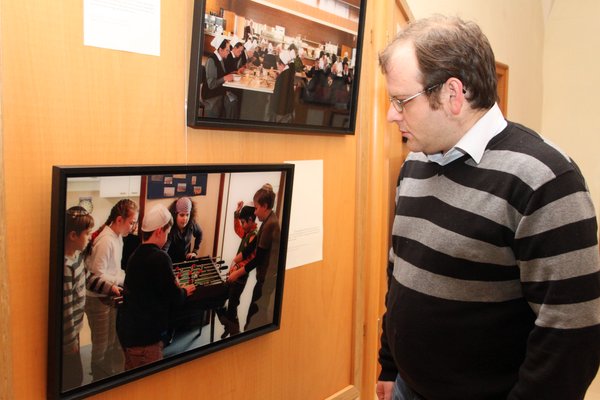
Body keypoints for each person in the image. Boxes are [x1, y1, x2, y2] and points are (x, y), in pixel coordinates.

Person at [376, 15, 600, 400]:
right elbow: (400, 272)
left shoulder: (543, 178)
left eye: (401, 101)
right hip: (405, 388)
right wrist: (390, 364)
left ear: (453, 94)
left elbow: (572, 332)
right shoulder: (414, 163)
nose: (391, 114)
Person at [117, 204, 195, 370]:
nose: (167, 237)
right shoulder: (160, 258)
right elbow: (175, 297)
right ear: (159, 231)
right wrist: (184, 291)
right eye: (167, 233)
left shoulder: (135, 254)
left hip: (129, 332)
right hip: (146, 337)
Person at [62, 206, 121, 391]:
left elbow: (88, 278)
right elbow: (66, 310)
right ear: (73, 235)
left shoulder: (77, 257)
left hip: (75, 331)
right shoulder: (65, 268)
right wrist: (70, 342)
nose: (90, 238)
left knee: (75, 376)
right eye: (87, 234)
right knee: (73, 379)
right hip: (68, 336)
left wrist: (109, 287)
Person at [84, 199, 138, 381]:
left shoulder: (117, 238)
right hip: (97, 297)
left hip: (109, 295)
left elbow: (113, 269)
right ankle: (96, 377)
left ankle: (103, 374)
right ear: (119, 220)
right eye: (131, 222)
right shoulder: (106, 240)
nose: (132, 227)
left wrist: (124, 277)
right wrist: (121, 279)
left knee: (109, 339)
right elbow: (96, 275)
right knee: (100, 344)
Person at [228, 184, 281, 331]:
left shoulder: (271, 224)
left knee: (253, 321)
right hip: (262, 278)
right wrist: (238, 258)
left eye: (256, 208)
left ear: (264, 206)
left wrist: (237, 272)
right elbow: (253, 245)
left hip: (266, 280)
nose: (256, 213)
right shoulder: (268, 220)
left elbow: (257, 258)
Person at [218, 202, 258, 338]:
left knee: (233, 306)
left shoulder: (254, 236)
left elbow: (250, 259)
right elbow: (237, 229)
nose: (241, 225)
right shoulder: (247, 232)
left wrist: (236, 268)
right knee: (221, 300)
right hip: (234, 273)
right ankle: (229, 326)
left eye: (243, 222)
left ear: (251, 220)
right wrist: (237, 213)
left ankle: (235, 333)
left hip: (240, 277)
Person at [202, 36, 236, 118]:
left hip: (219, 93)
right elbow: (211, 85)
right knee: (231, 103)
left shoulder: (220, 59)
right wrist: (224, 78)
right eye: (227, 50)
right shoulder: (212, 60)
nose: (229, 52)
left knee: (233, 101)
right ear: (220, 50)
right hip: (211, 96)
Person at [163, 197, 203, 263]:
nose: (185, 218)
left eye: (187, 215)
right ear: (175, 214)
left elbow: (200, 233)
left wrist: (195, 252)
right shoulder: (170, 228)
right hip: (172, 264)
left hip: (186, 262)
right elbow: (164, 251)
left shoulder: (191, 223)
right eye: (181, 215)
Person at [269, 50, 295, 123]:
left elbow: (279, 93)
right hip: (287, 108)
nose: (278, 68)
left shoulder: (283, 75)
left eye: (278, 66)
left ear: (282, 65)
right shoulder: (288, 71)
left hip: (280, 110)